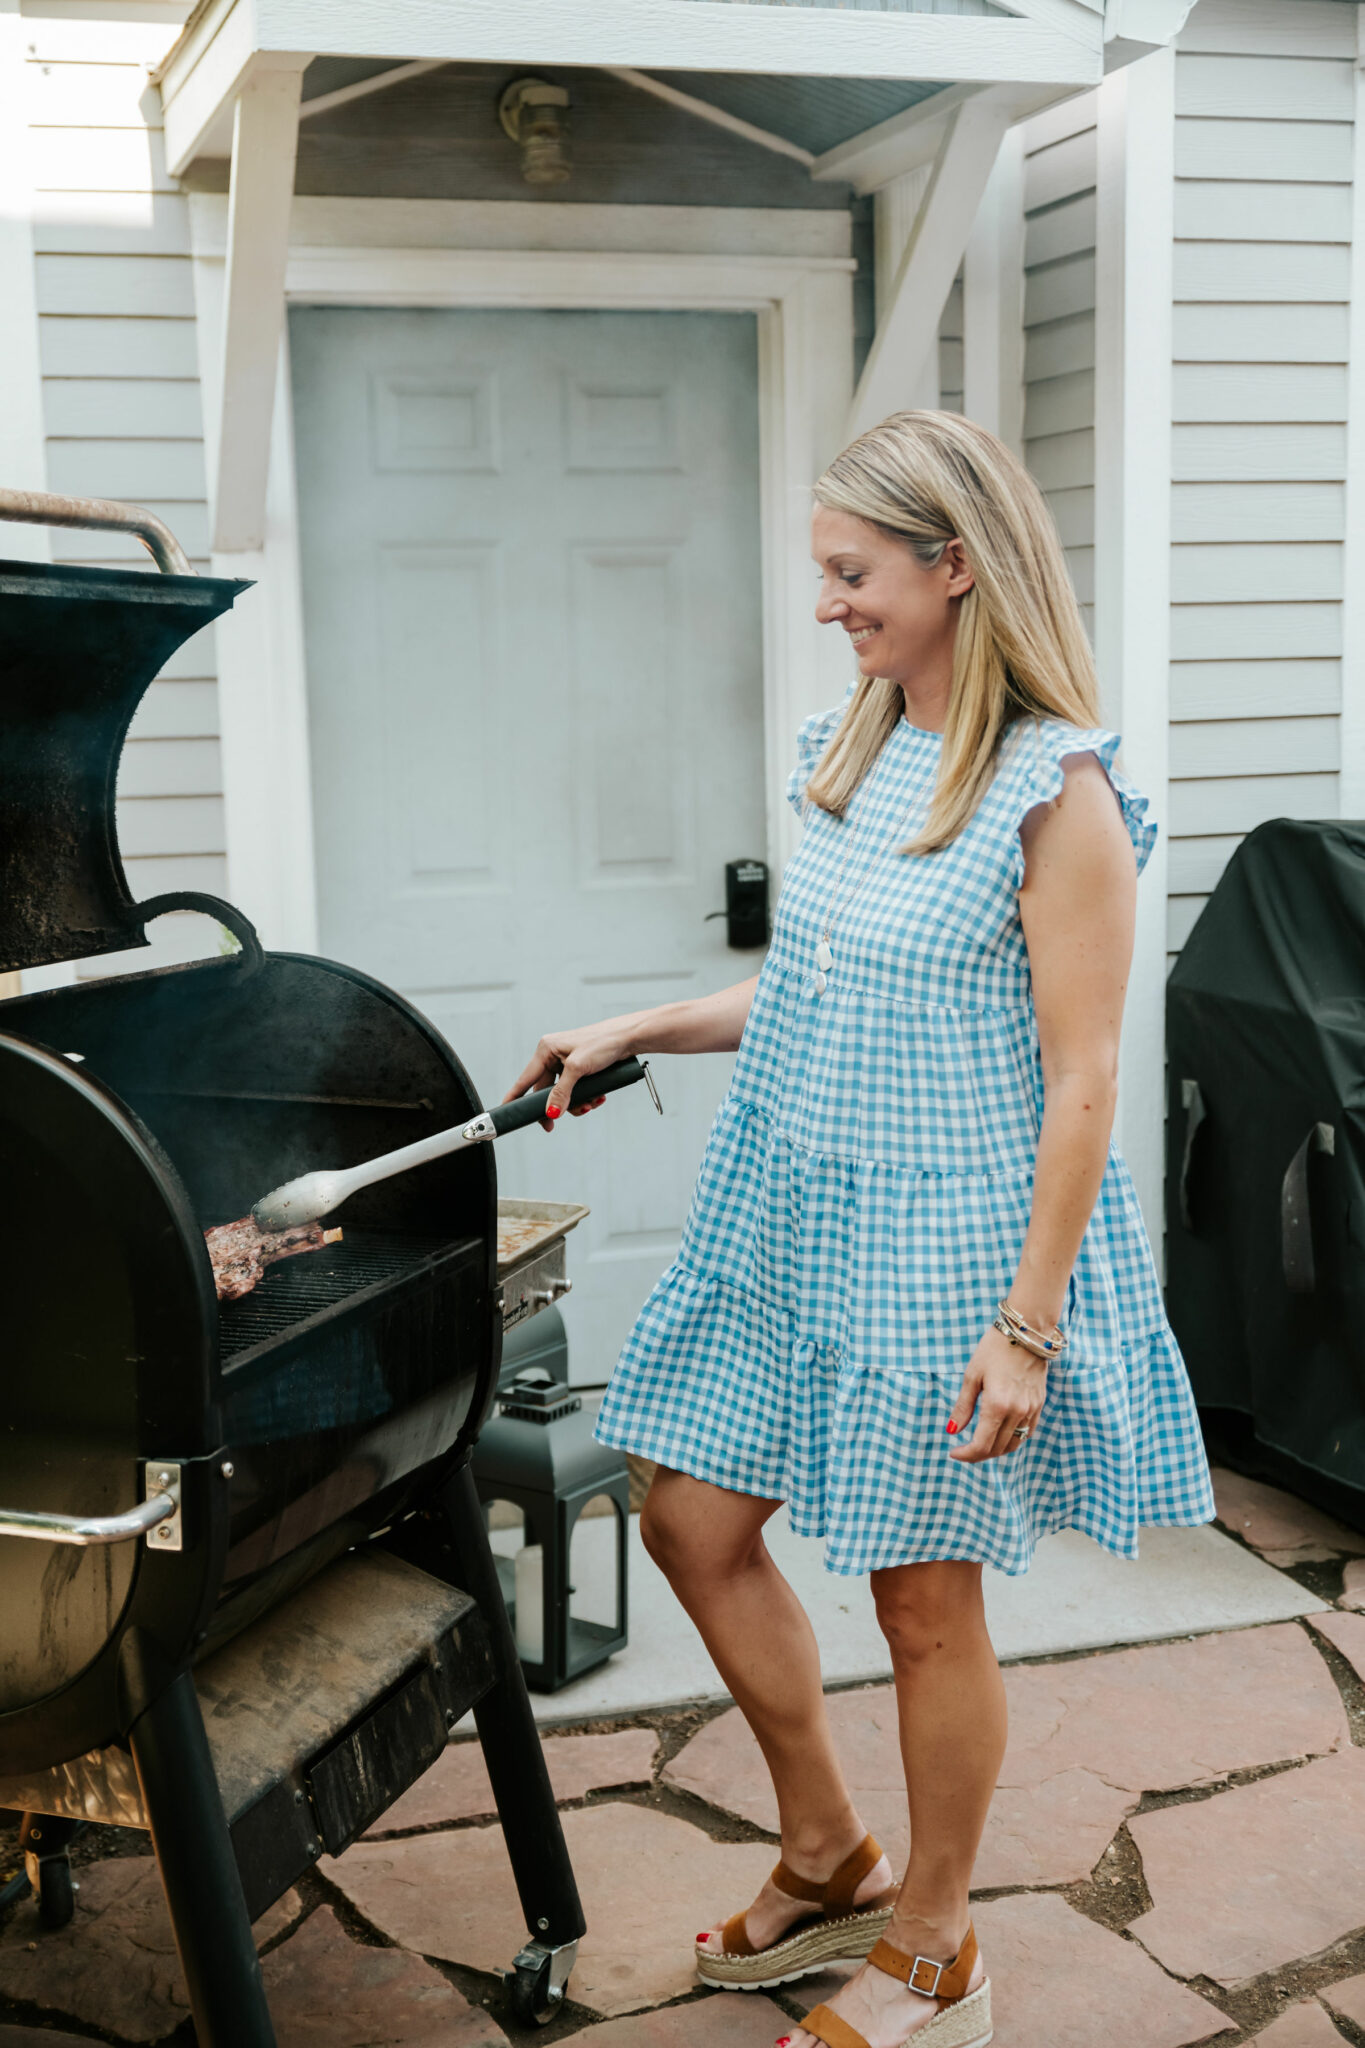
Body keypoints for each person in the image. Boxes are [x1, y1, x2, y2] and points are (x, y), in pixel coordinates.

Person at [503, 411, 1215, 2048]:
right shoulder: (864, 739)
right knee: (686, 1515)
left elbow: (1087, 1074)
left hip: (947, 1240)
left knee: (917, 1603)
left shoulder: (1059, 794)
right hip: (793, 1205)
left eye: (851, 573)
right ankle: (822, 1850)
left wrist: (1023, 1325)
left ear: (956, 565)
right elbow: (829, 990)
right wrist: (642, 1026)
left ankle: (934, 1947)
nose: (826, 603)